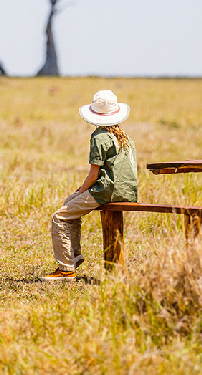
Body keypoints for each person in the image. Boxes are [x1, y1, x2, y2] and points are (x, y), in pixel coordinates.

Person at [42, 89, 138, 281]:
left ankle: (66, 267)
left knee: (59, 216)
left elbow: (94, 174)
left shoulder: (99, 136)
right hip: (127, 191)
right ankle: (73, 257)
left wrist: (81, 190)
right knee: (71, 206)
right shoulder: (124, 136)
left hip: (106, 191)